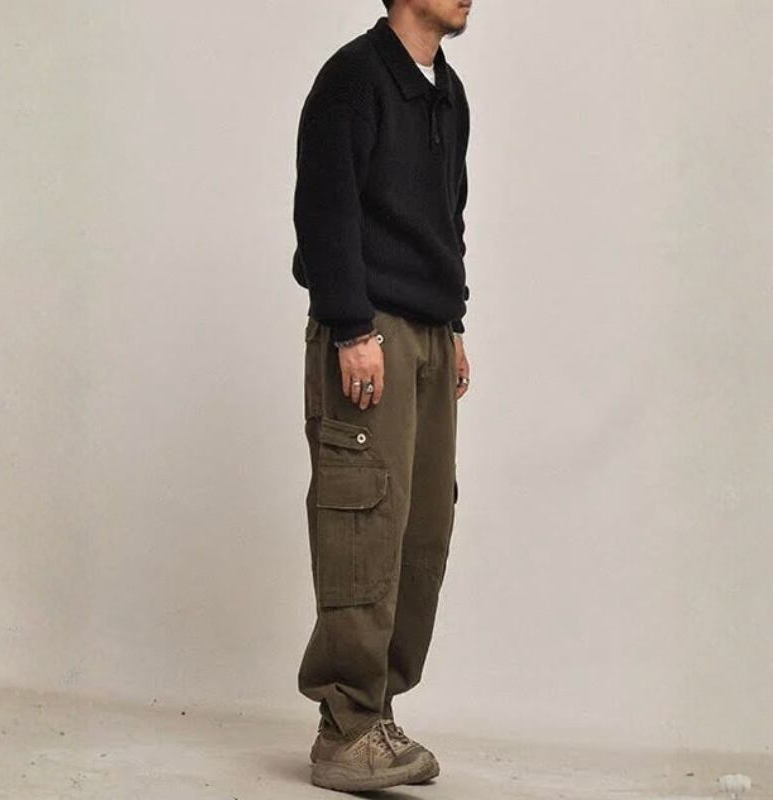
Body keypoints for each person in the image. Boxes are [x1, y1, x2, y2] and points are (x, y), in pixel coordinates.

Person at [291, 0, 473, 791]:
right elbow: (323, 210)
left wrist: (453, 322)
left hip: (427, 332)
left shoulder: (447, 92)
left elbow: (448, 220)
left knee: (421, 525)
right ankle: (346, 727)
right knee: (362, 521)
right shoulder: (353, 78)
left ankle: (378, 715)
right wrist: (351, 327)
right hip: (370, 331)